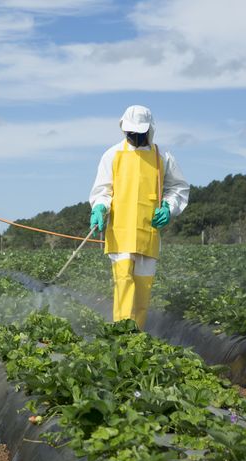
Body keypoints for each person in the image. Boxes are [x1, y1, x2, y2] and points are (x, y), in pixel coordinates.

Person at [88, 105, 188, 329]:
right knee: (123, 285)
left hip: (148, 232)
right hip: (120, 233)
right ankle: (121, 337)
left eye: (139, 133)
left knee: (143, 291)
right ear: (124, 129)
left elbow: (178, 188)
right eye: (131, 133)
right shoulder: (112, 155)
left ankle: (137, 338)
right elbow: (103, 190)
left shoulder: (162, 157)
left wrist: (168, 208)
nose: (134, 136)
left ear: (149, 130)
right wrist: (100, 208)